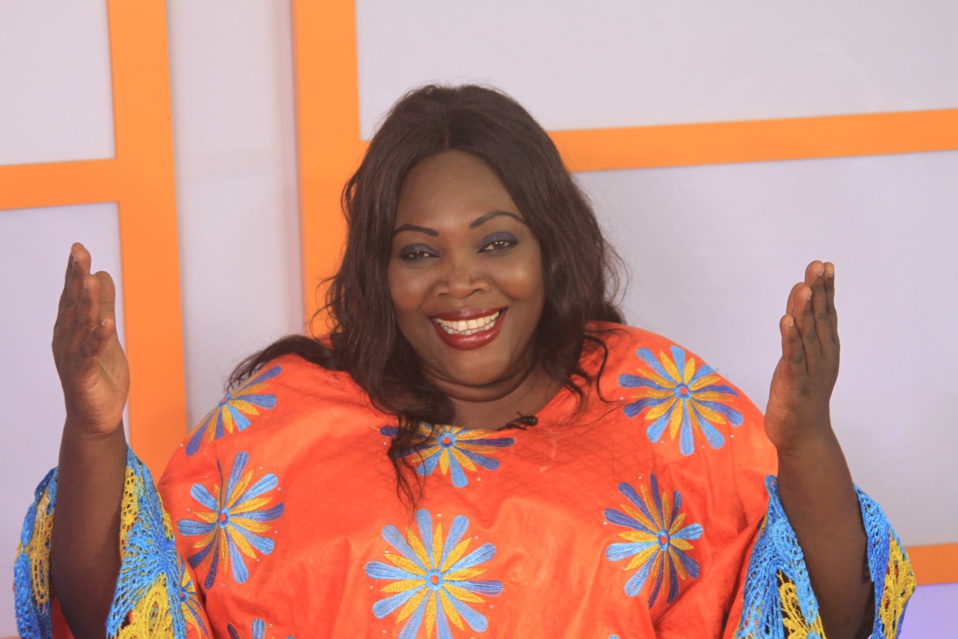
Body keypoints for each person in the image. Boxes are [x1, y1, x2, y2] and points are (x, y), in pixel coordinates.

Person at [16, 85, 914, 639]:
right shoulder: (278, 423)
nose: (461, 282)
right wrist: (93, 429)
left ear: (550, 246)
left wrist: (806, 438)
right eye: (419, 251)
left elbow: (836, 618)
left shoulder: (663, 403)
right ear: (379, 270)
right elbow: (107, 615)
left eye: (496, 241)